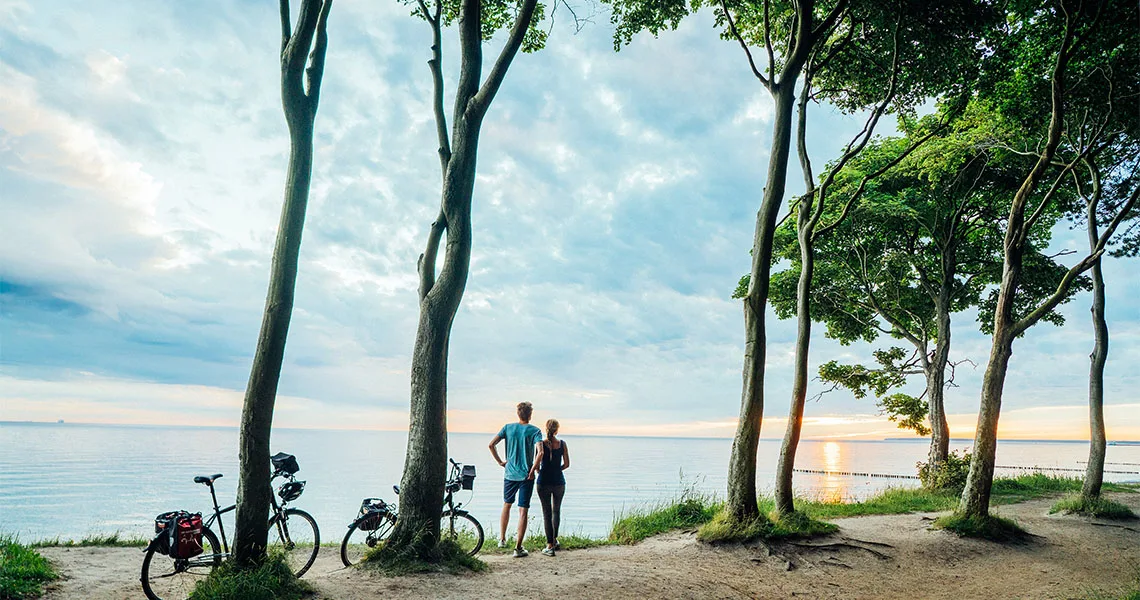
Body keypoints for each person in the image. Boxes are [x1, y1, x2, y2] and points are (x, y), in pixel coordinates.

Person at [488, 401, 543, 558]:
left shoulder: (508, 428)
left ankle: (502, 539)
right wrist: (533, 470)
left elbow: (491, 445)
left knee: (507, 504)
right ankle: (518, 548)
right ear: (530, 415)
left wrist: (501, 462)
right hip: (526, 476)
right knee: (523, 510)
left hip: (510, 474)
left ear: (518, 414)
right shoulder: (535, 431)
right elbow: (540, 452)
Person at [528, 418, 569, 557]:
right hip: (559, 482)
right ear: (557, 430)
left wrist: (540, 472)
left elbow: (537, 463)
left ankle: (549, 545)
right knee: (556, 511)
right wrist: (557, 470)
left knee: (547, 513)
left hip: (543, 482)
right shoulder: (562, 444)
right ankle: (554, 540)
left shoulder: (540, 444)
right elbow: (567, 464)